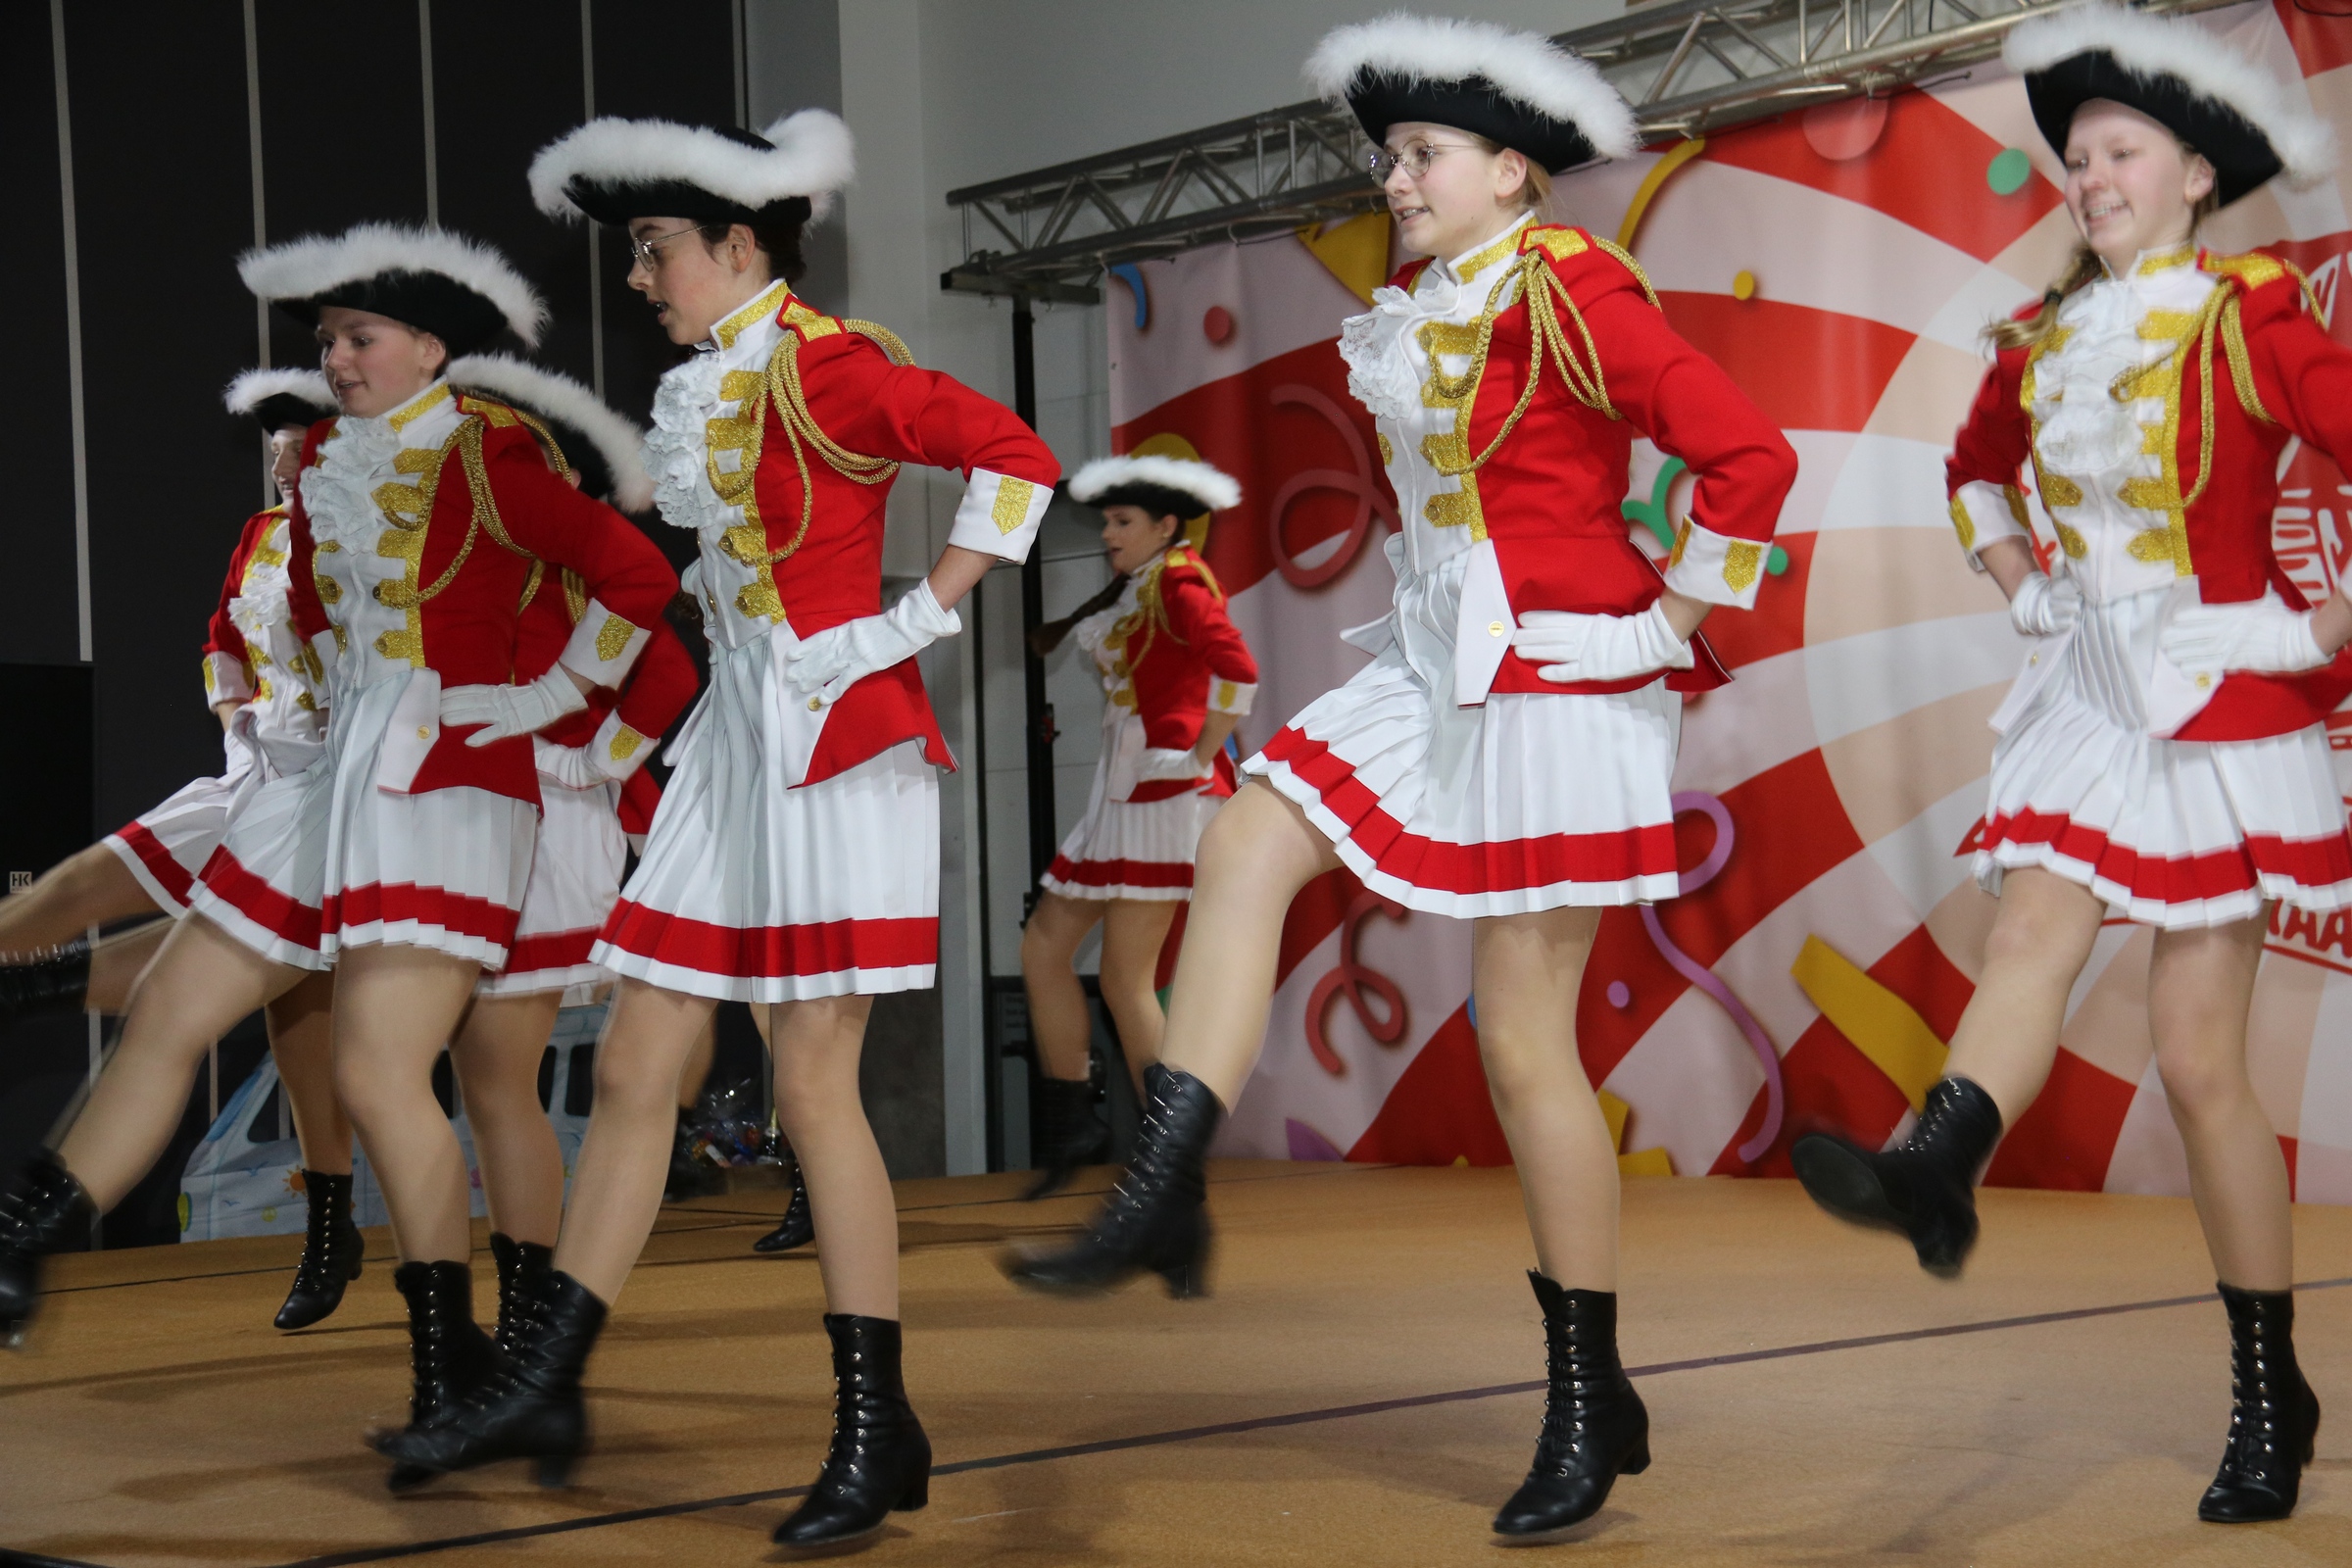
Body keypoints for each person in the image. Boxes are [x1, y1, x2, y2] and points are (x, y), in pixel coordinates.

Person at [1006, 14, 1796, 1542]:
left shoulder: (1573, 286)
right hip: (1432, 661)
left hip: (1560, 677)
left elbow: (1748, 457)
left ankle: (1589, 1391)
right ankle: (1165, 1178)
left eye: (1424, 153)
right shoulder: (1428, 301)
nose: (1397, 177)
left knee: (1523, 1047)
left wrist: (1669, 624)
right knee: (1246, 838)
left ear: (1512, 170)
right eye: (1390, 156)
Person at [377, 111, 1060, 1555]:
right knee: (636, 1065)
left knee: (812, 1087)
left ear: (739, 245)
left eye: (655, 249)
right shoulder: (714, 380)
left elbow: (1016, 460)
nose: (640, 278)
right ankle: (544, 1382)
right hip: (733, 749)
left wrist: (908, 624)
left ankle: (873, 1426)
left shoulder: (834, 363)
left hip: (834, 748)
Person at [0, 224, 680, 1491]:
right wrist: (302, 707)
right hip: (331, 783)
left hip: (456, 793)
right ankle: (22, 1239)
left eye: (359, 338)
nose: (338, 360)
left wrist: (544, 703)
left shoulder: (493, 454)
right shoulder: (317, 462)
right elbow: (308, 607)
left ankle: (459, 1362)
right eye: (326, 342)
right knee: (173, 1004)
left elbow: (636, 580)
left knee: (393, 1075)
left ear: (428, 345)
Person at [1790, 4, 2346, 1525]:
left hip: (2220, 712)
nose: (2090, 176)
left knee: (2198, 1063)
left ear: (2196, 175)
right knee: (2031, 935)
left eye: (2121, 152)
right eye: (2078, 156)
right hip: (2087, 701)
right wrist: (2023, 582)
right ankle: (1937, 1165)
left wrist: (2314, 627)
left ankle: (2270, 1387)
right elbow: (1972, 472)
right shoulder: (2041, 342)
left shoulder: (2246, 315)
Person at [0, 368, 361, 1331]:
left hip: (337, 793)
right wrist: (232, 705)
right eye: (273, 447)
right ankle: (24, 985)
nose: (278, 461)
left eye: (295, 444)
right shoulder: (261, 531)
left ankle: (335, 1228)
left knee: (295, 1021)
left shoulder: (369, 532)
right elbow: (222, 637)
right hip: (254, 768)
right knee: (80, 881)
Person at [436, 351, 698, 1357]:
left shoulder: (569, 554)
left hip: (547, 813)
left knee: (499, 1076)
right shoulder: (469, 547)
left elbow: (668, 667)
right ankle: (514, 1309)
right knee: (479, 1078)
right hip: (460, 807)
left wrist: (597, 756)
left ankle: (530, 1313)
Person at [1018, 455, 1256, 1197]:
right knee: (1046, 948)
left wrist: (1199, 756)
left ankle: (1165, 1161)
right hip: (1123, 792)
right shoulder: (1144, 583)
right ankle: (1076, 1121)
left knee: (1124, 977)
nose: (1108, 535)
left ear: (1165, 525)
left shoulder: (1181, 581)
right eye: (1106, 523)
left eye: (1122, 522)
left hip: (1160, 795)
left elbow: (1238, 669)